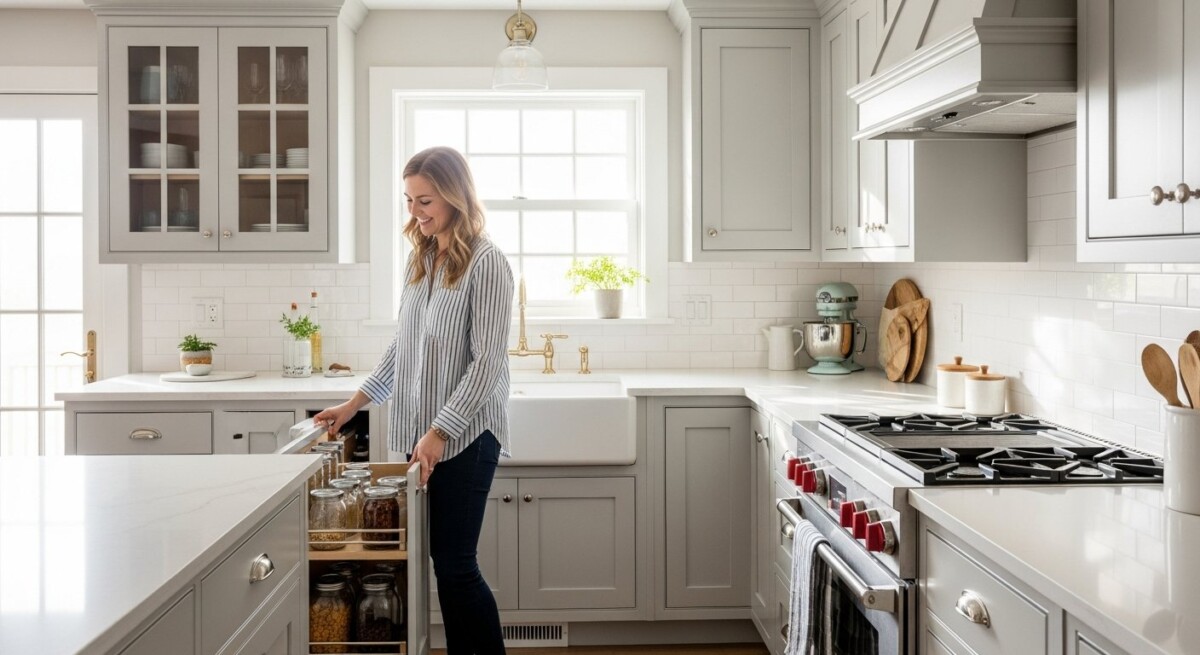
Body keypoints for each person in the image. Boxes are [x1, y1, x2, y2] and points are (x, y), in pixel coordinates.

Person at [315, 146, 513, 655]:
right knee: (434, 563)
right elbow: (401, 347)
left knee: (455, 565)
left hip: (464, 436)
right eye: (409, 200)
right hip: (422, 437)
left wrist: (440, 431)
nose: (415, 211)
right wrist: (352, 403)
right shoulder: (420, 258)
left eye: (424, 200)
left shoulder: (488, 264)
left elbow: (488, 363)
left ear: (454, 196)